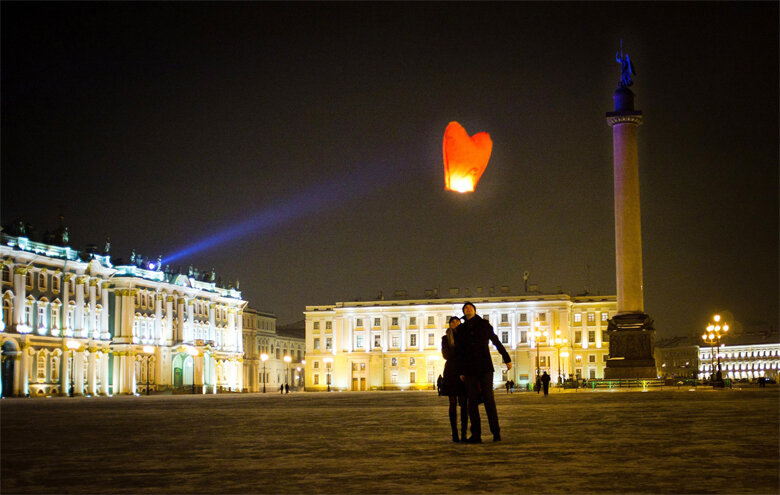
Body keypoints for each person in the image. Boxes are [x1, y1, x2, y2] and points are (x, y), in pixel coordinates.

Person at [456, 302, 512, 443]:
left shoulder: (484, 324)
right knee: (472, 403)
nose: (468, 309)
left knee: (489, 400)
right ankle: (476, 435)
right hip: (469, 369)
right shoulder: (461, 329)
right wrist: (461, 370)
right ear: (463, 312)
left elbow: (496, 341)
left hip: (485, 367)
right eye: (465, 308)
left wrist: (506, 358)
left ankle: (496, 432)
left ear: (475, 310)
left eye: (470, 307)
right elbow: (460, 351)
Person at [441, 316, 468, 443]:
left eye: (457, 322)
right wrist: (460, 354)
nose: (455, 323)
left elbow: (468, 353)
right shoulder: (445, 338)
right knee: (452, 404)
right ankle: (454, 433)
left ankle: (463, 433)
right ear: (450, 325)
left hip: (463, 371)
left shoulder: (465, 336)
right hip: (451, 372)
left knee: (463, 404)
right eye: (453, 322)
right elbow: (446, 355)